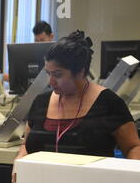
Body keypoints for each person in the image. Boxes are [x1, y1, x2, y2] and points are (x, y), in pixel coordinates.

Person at [14, 30, 140, 169]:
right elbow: (27, 144)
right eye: (48, 73)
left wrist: (131, 179)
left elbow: (133, 147)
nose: (51, 81)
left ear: (80, 71)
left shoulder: (109, 103)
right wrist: (19, 160)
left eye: (57, 74)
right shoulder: (41, 102)